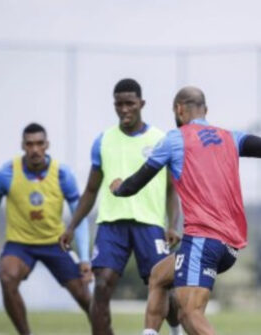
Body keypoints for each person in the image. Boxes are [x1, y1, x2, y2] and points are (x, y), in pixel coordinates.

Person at [109, 86, 261, 335]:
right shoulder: (230, 137)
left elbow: (133, 186)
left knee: (189, 313)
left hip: (203, 240)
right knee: (159, 276)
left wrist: (117, 188)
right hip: (229, 246)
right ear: (205, 110)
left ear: (178, 109)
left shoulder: (175, 139)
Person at [58, 78, 181, 335]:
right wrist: (71, 226)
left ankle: (176, 328)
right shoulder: (103, 141)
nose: (124, 109)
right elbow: (91, 190)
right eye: (119, 104)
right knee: (101, 286)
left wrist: (173, 224)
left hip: (150, 225)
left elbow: (171, 189)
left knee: (162, 287)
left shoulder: (161, 139)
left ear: (141, 104)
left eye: (130, 103)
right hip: (111, 225)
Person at [0, 123, 91, 335]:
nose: (35, 149)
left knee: (86, 298)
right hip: (20, 245)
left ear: (47, 145)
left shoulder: (62, 175)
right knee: (6, 277)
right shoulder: (6, 174)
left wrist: (84, 258)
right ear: (23, 146)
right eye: (30, 144)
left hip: (56, 243)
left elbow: (80, 216)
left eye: (39, 144)